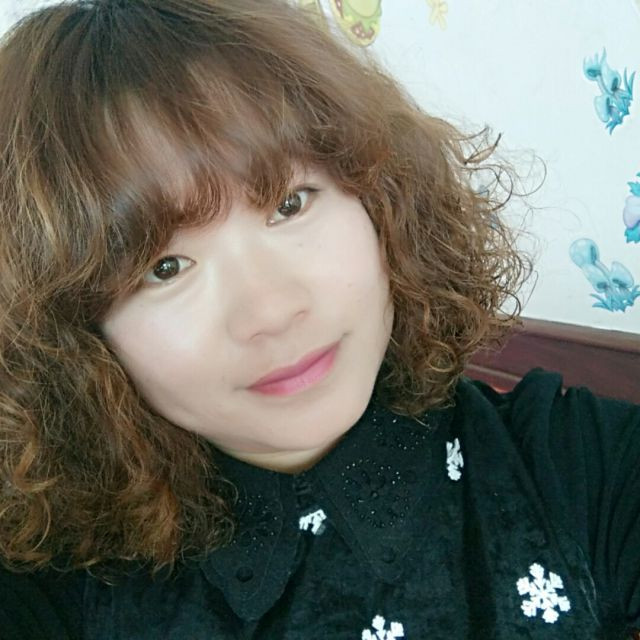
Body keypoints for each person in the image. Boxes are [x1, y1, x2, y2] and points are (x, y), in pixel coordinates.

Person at [0, 1, 637, 638]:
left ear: (381, 198)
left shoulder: (575, 469)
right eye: (164, 268)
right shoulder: (54, 580)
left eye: (289, 204)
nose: (272, 312)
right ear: (71, 336)